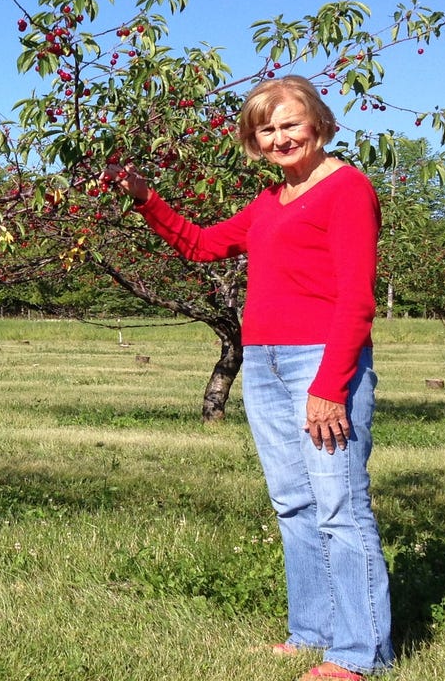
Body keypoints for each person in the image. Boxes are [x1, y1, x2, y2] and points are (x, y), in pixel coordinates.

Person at [107, 75, 393, 680]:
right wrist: (144, 197)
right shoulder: (271, 203)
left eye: (290, 123)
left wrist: (329, 385)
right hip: (263, 362)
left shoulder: (347, 188)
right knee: (294, 504)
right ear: (255, 142)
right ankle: (312, 630)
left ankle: (360, 652)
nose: (281, 137)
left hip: (320, 361)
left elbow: (357, 300)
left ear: (317, 122)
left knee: (339, 504)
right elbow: (203, 245)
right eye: (267, 129)